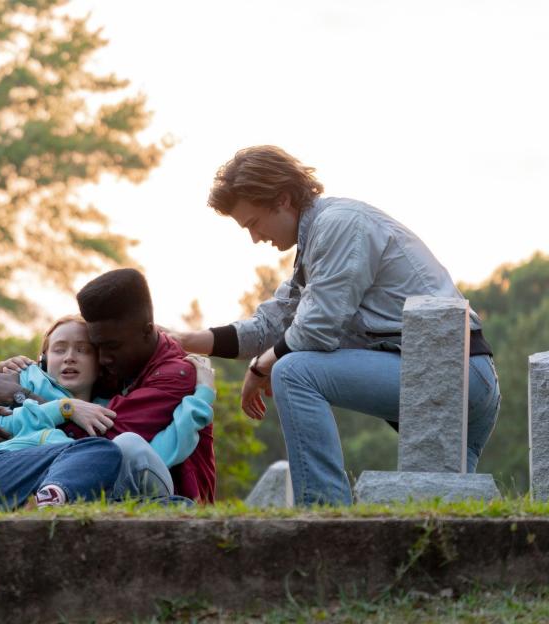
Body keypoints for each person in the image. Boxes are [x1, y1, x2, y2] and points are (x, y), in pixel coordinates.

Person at [172, 145, 501, 506]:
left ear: (282, 200)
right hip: (453, 377)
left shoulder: (339, 225)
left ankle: (324, 511)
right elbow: (272, 324)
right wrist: (187, 340)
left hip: (452, 373)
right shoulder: (316, 242)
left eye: (253, 223)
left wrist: (262, 365)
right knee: (439, 512)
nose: (255, 237)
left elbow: (316, 329)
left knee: (294, 371)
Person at [0, 269, 219, 502]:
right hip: (26, 478)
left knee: (125, 446)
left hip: (170, 497)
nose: (103, 358)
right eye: (97, 346)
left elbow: (99, 443)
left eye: (109, 347)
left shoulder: (174, 374)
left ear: (146, 332)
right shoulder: (117, 363)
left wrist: (25, 397)